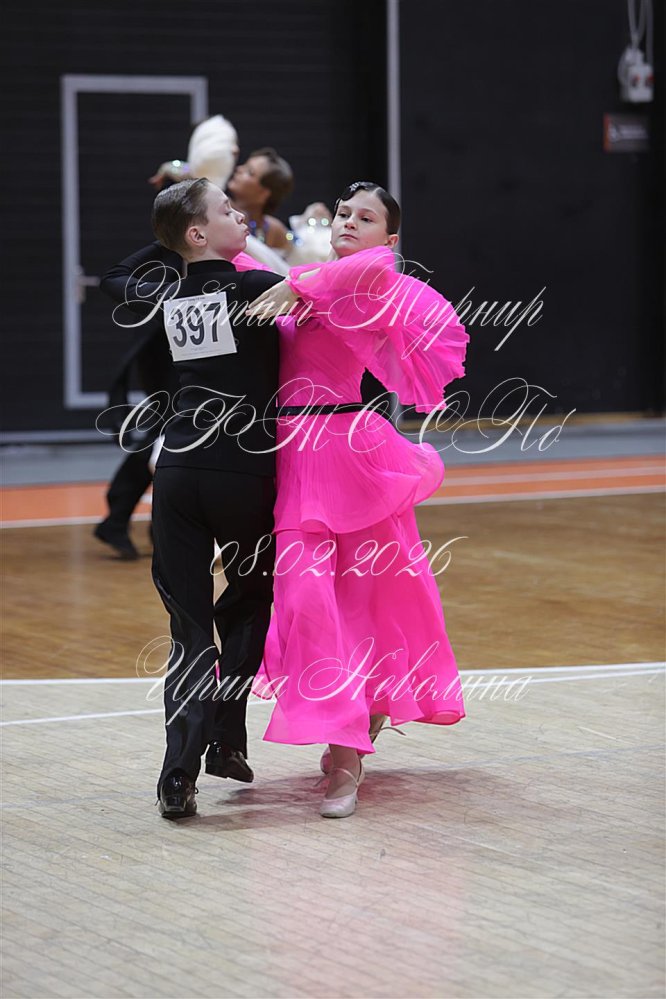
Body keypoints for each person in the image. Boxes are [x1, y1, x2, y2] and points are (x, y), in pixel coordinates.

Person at [247, 181, 469, 819]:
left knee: (362, 601)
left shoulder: (372, 278)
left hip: (349, 456)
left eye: (364, 217)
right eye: (343, 213)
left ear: (389, 238)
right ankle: (355, 721)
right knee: (305, 601)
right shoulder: (313, 280)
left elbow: (345, 277)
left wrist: (289, 278)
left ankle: (346, 756)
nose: (348, 222)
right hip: (294, 456)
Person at [107, 178, 284, 818]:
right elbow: (331, 292)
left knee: (188, 631)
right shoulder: (258, 287)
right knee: (249, 603)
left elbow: (118, 274)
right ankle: (226, 736)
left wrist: (173, 232)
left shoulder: (170, 294)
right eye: (226, 210)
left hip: (179, 473)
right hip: (243, 473)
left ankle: (177, 776)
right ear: (199, 232)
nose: (242, 216)